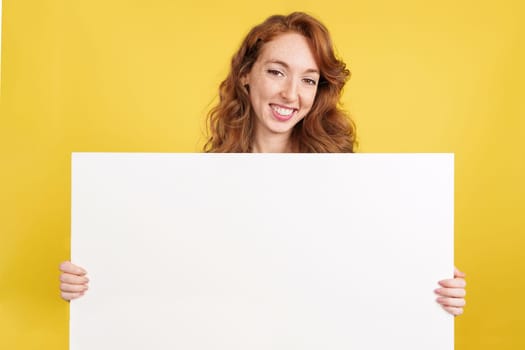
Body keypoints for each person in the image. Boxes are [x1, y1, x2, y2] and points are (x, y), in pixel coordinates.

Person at [59, 12, 467, 316]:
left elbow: (372, 274)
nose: (292, 93)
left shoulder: (346, 182)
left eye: (309, 79)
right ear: (246, 76)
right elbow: (168, 281)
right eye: (277, 71)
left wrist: (428, 278)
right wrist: (93, 281)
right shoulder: (195, 186)